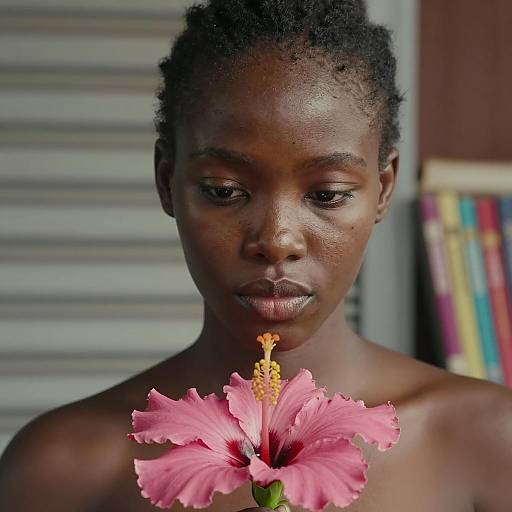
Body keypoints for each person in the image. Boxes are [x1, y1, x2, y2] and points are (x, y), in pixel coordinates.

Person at [1, 0, 512, 510]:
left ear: (382, 189)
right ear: (166, 181)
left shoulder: (488, 441)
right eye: (224, 190)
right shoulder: (59, 470)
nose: (277, 240)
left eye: (328, 194)